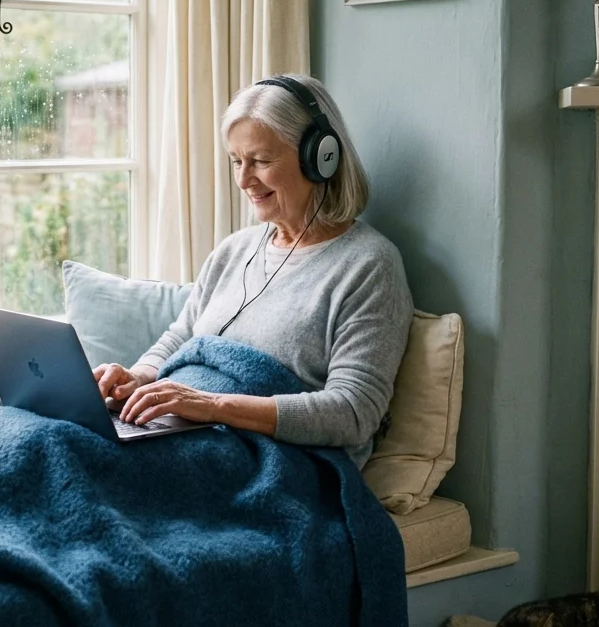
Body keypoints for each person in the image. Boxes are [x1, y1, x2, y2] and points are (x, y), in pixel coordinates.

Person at [93, 74, 413, 469]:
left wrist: (211, 405)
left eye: (261, 161)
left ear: (320, 157)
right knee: (36, 433)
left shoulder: (369, 265)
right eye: (236, 162)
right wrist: (137, 378)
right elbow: (182, 335)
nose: (244, 180)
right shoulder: (235, 249)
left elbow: (353, 413)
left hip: (268, 460)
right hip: (188, 436)